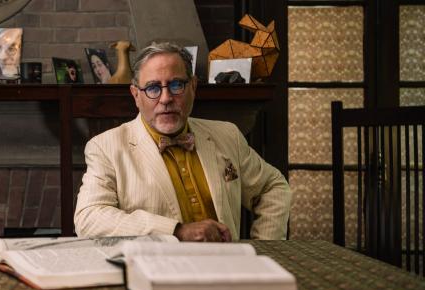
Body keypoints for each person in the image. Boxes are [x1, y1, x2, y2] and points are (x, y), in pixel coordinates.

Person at [74, 42, 291, 241]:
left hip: (225, 271)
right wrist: (176, 231)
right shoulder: (106, 147)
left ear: (193, 87)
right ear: (136, 95)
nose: (166, 98)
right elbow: (89, 217)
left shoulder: (228, 135)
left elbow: (273, 187)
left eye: (176, 85)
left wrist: (264, 248)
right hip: (154, 274)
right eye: (152, 88)